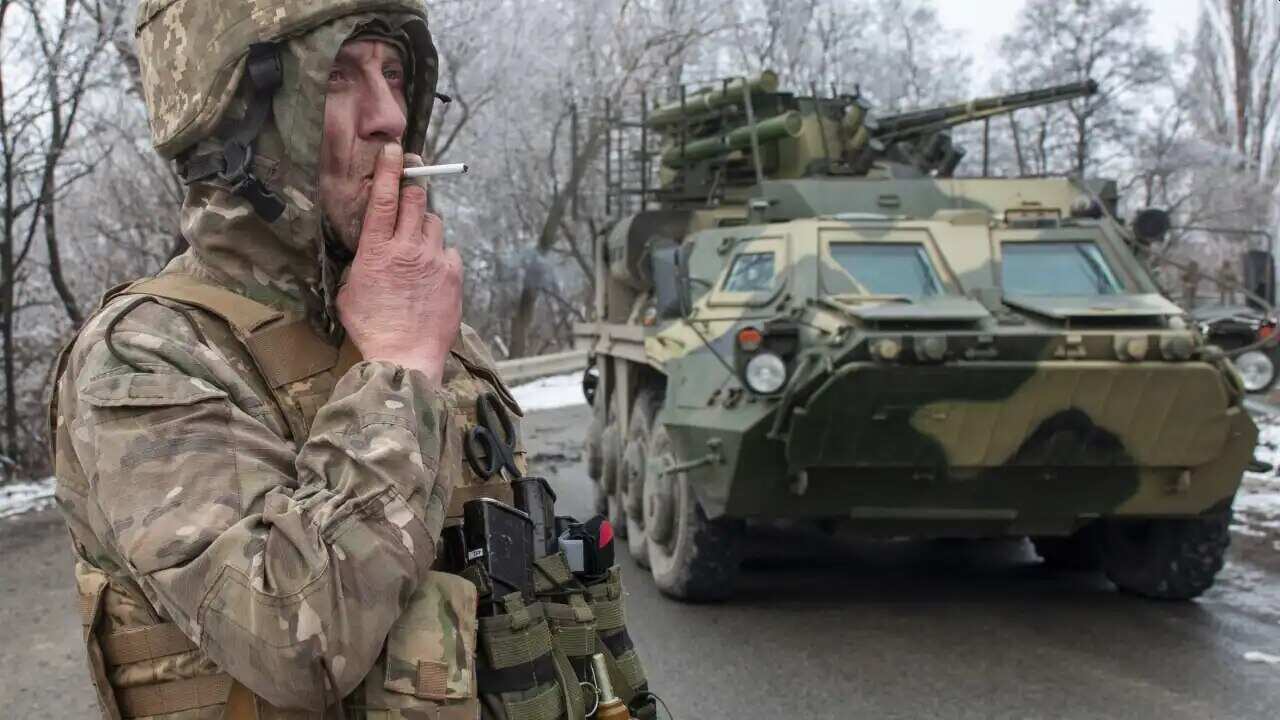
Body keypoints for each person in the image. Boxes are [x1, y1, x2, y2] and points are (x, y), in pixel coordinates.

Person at [49, 2, 651, 718]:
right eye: (338, 76)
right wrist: (399, 371)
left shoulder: (429, 327)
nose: (389, 117)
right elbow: (296, 641)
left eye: (394, 73)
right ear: (238, 119)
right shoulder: (147, 354)